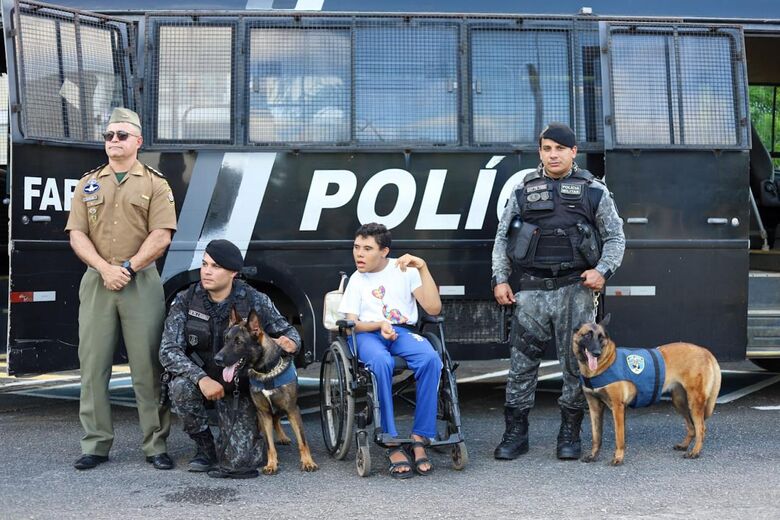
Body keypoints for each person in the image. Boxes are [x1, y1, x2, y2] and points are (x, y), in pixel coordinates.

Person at [491, 122, 625, 461]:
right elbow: (503, 239)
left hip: (575, 290)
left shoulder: (594, 191)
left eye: (560, 149)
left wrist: (602, 270)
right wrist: (500, 279)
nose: (553, 155)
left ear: (573, 152)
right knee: (521, 365)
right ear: (540, 152)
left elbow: (615, 238)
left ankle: (570, 433)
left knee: (575, 366)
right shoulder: (523, 190)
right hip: (531, 292)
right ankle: (515, 434)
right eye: (547, 149)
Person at [66, 107, 177, 470]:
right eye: (108, 135)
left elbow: (161, 235)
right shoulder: (88, 183)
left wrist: (127, 268)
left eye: (121, 135)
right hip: (97, 282)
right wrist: (104, 268)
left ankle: (155, 445)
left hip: (140, 282)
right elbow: (77, 234)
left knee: (148, 367)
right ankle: (95, 444)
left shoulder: (155, 184)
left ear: (138, 141)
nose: (113, 140)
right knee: (92, 366)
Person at [159, 239, 301, 479]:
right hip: (202, 383)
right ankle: (204, 447)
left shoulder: (254, 299)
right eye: (204, 264)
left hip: (241, 387)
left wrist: (291, 342)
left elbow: (288, 331)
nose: (206, 271)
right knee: (179, 387)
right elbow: (168, 350)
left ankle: (237, 440)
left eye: (215, 266)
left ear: (233, 273)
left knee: (244, 461)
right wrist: (201, 379)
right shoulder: (187, 299)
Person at [338, 223, 443, 479]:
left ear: (384, 251)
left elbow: (433, 308)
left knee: (430, 358)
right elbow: (352, 325)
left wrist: (423, 267)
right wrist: (379, 324)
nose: (359, 254)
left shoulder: (405, 271)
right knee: (381, 362)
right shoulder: (356, 279)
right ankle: (390, 439)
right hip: (367, 334)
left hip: (401, 332)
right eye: (356, 247)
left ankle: (420, 436)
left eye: (367, 248)